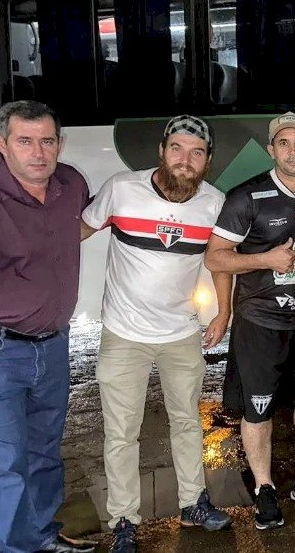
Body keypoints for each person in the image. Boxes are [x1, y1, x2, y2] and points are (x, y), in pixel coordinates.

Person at [82, 115, 233, 551]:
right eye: (177, 149)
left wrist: (223, 312)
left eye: (197, 153)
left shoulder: (214, 202)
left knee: (187, 423)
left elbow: (219, 260)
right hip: (123, 333)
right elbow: (77, 230)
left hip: (181, 333)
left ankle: (193, 503)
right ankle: (124, 520)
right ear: (161, 150)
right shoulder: (121, 188)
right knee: (120, 432)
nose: (186, 160)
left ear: (207, 161)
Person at [0, 100, 95, 553]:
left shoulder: (71, 183)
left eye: (47, 141)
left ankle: (42, 536)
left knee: (44, 452)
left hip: (55, 344)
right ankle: (19, 548)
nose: (38, 152)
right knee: (4, 461)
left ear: (60, 143)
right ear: (3, 144)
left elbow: (77, 229)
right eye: (25, 141)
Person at [205, 112, 295, 530]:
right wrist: (265, 259)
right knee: (258, 407)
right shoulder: (247, 197)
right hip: (261, 321)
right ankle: (264, 487)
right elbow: (214, 257)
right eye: (284, 143)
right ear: (271, 150)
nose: (293, 151)